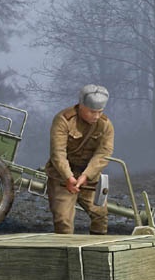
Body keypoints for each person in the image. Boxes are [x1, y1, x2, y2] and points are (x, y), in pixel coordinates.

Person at [45, 84, 114, 235]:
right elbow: (58, 153)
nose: (96, 116)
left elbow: (104, 153)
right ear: (81, 106)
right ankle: (66, 255)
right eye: (91, 112)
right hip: (62, 178)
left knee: (101, 215)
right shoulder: (64, 120)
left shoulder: (105, 125)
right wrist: (68, 177)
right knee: (63, 220)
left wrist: (86, 175)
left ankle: (98, 251)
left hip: (89, 177)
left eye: (100, 112)